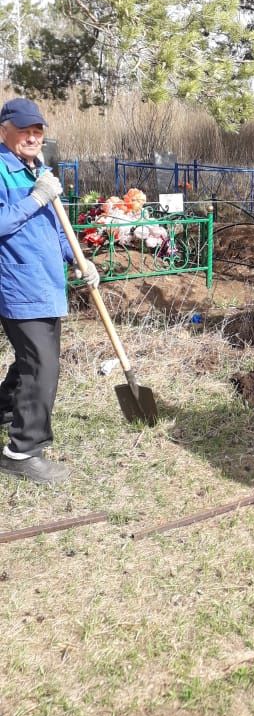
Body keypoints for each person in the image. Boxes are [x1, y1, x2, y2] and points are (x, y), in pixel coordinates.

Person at [0, 98, 100, 485]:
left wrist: (78, 259)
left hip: (45, 281)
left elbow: (55, 227)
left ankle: (4, 408)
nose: (33, 137)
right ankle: (22, 451)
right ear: (4, 130)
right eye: (24, 130)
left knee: (34, 360)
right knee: (42, 366)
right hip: (18, 283)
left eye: (38, 130)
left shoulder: (37, 169)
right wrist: (35, 197)